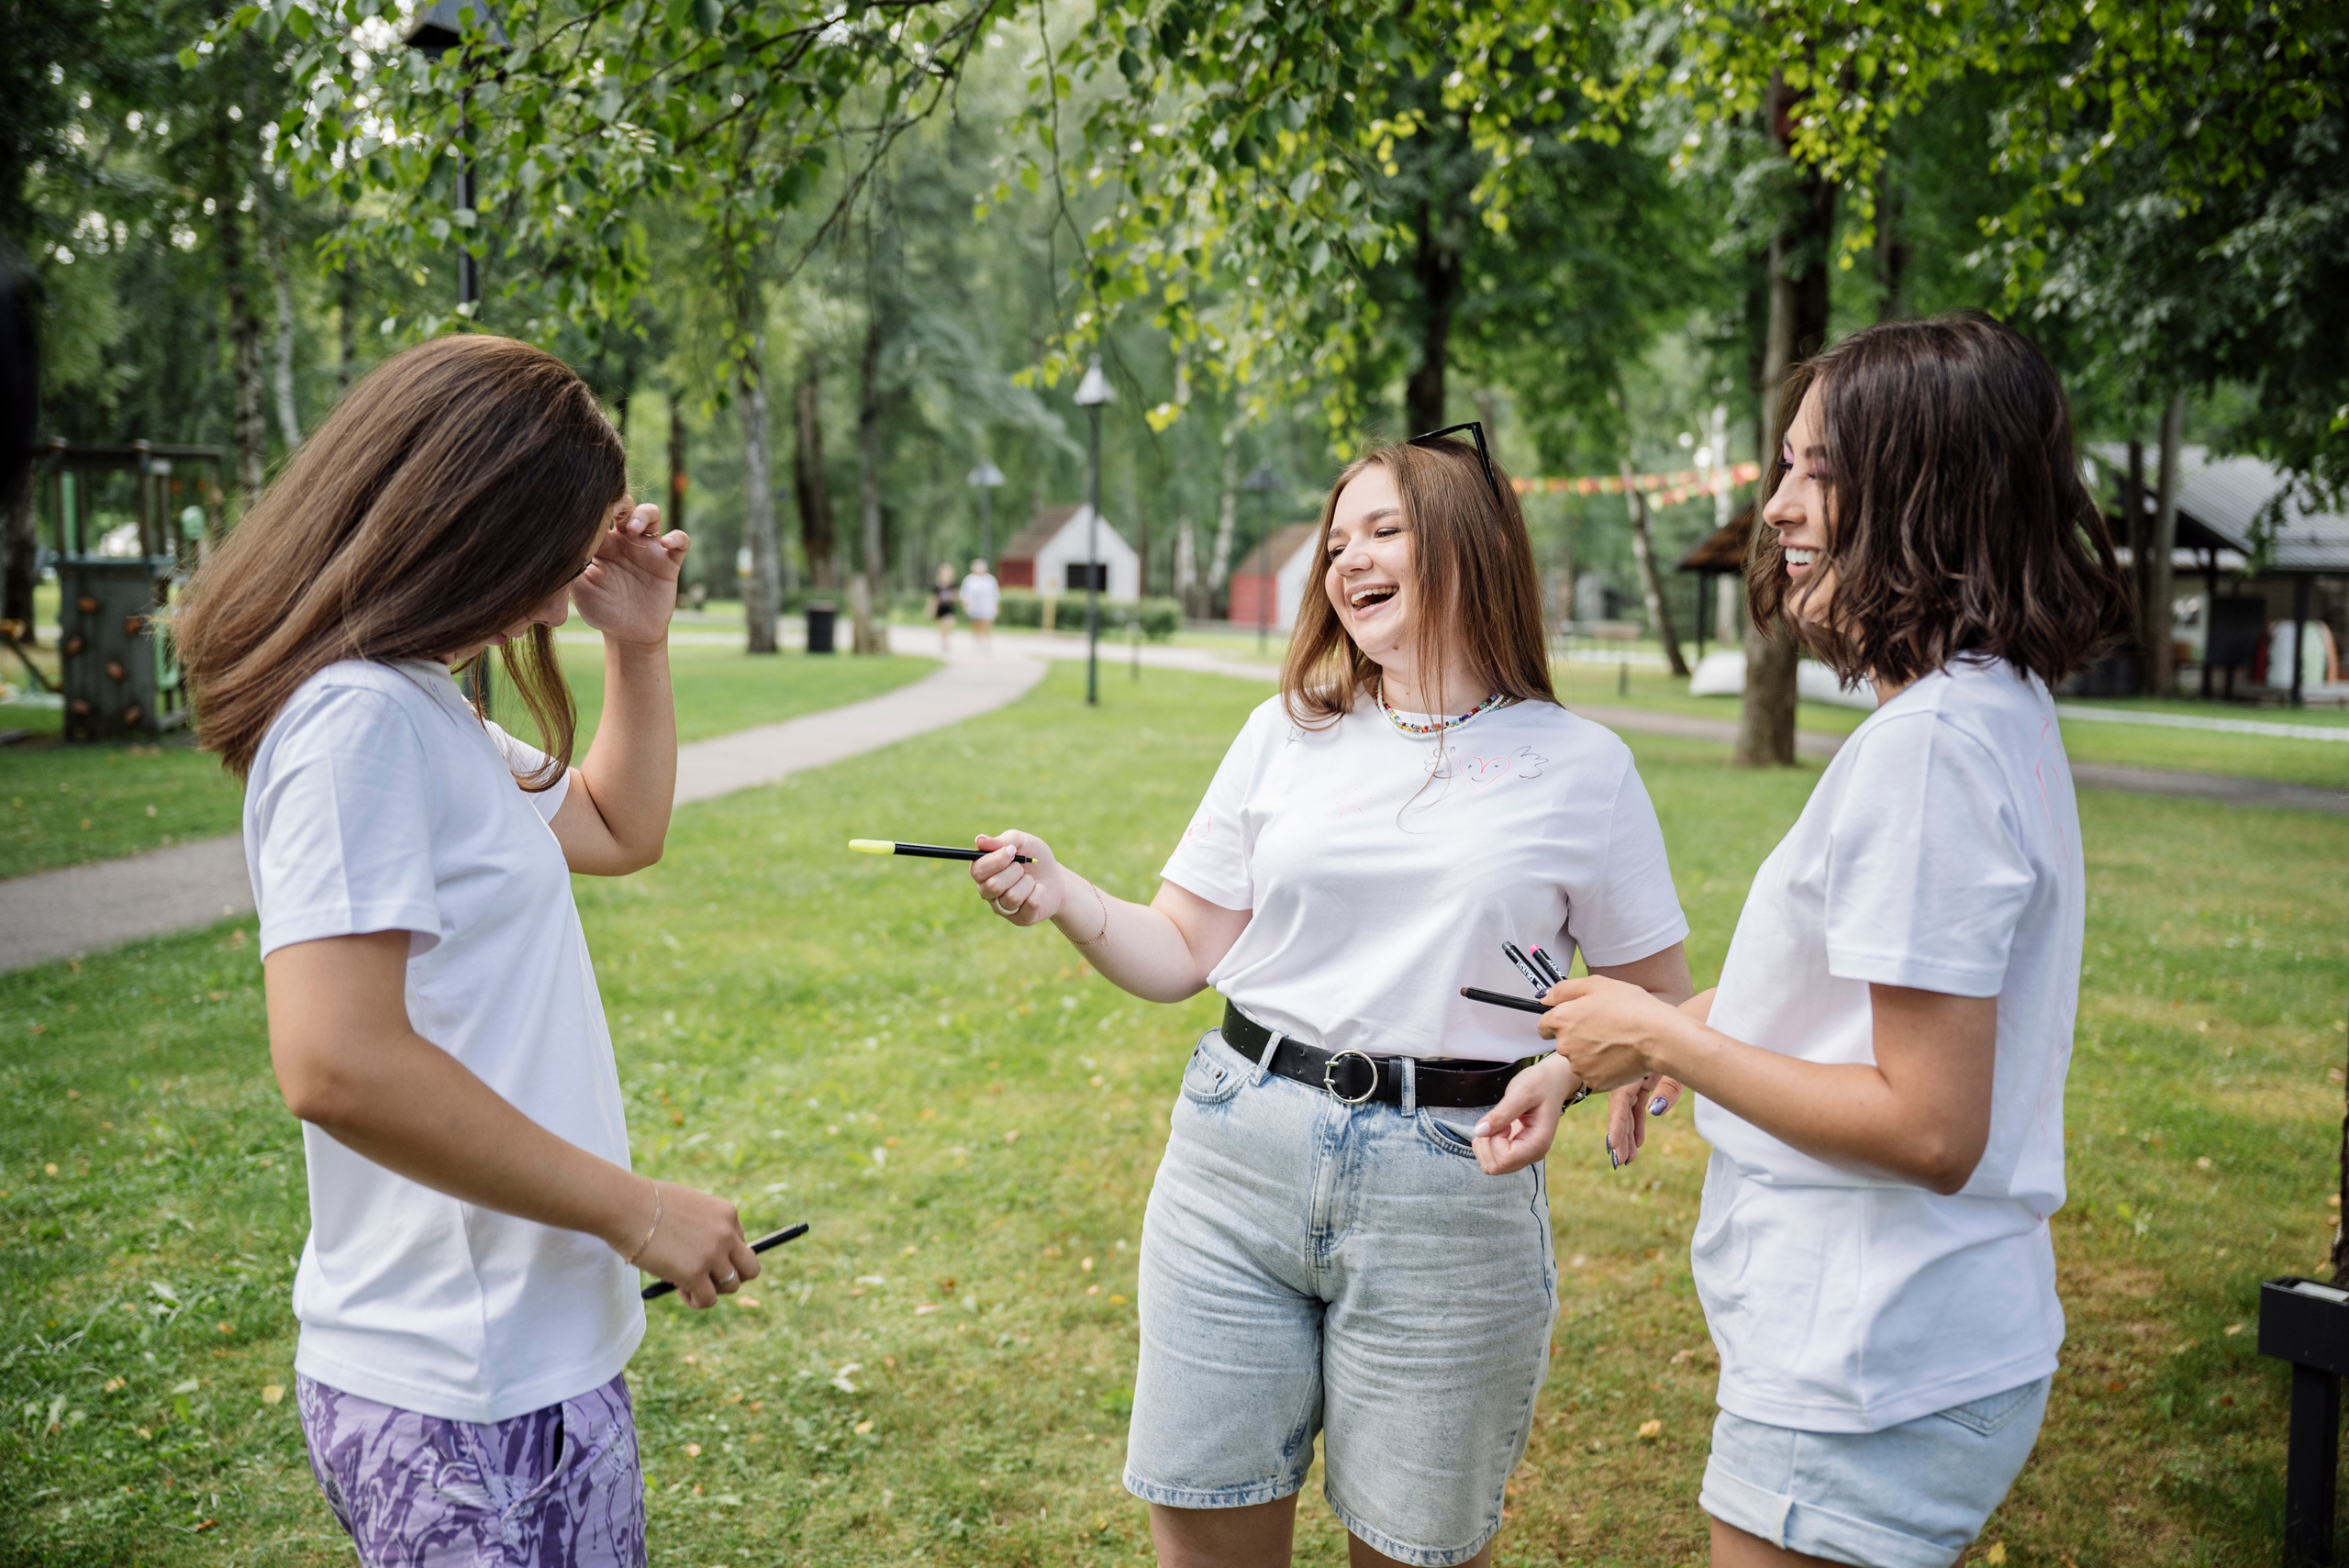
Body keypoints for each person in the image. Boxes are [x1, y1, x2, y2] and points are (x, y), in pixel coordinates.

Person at [965, 428, 1695, 1568]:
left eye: (1384, 530)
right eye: (1335, 540)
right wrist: (1062, 891)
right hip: (1234, 1162)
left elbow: (1658, 1008)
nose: (1348, 559)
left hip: (1450, 1189)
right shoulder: (1284, 733)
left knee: (1411, 1550)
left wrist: (1570, 1069)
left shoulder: (1582, 766)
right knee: (1202, 1522)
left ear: (1469, 546)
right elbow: (1177, 949)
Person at [1529, 313, 2132, 1568]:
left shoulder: (1929, 755)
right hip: (1916, 1346)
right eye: (1785, 467)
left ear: (1923, 491)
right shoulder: (1991, 709)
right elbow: (1828, 1015)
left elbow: (1928, 1126)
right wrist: (1636, 1051)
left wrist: (1651, 1027)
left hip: (1869, 1368)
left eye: (1815, 470)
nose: (1780, 507)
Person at [174, 334, 761, 1568]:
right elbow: (334, 1062)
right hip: (459, 1390)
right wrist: (636, 1210)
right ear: (466, 531)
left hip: (527, 1363)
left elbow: (616, 826)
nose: (559, 599)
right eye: (549, 561)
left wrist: (638, 646)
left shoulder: (421, 703)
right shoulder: (355, 726)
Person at [960, 556, 1000, 653]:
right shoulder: (969, 580)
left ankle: (987, 643)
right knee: (976, 624)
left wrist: (997, 606)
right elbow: (965, 594)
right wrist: (965, 606)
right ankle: (977, 641)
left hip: (987, 606)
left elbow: (995, 594)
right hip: (974, 607)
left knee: (987, 624)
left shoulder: (990, 580)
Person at [932, 562, 961, 654]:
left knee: (950, 624)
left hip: (949, 607)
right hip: (941, 607)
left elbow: (956, 595)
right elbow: (934, 598)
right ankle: (944, 642)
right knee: (942, 625)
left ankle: (946, 638)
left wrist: (953, 597)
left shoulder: (953, 584)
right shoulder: (937, 585)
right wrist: (932, 609)